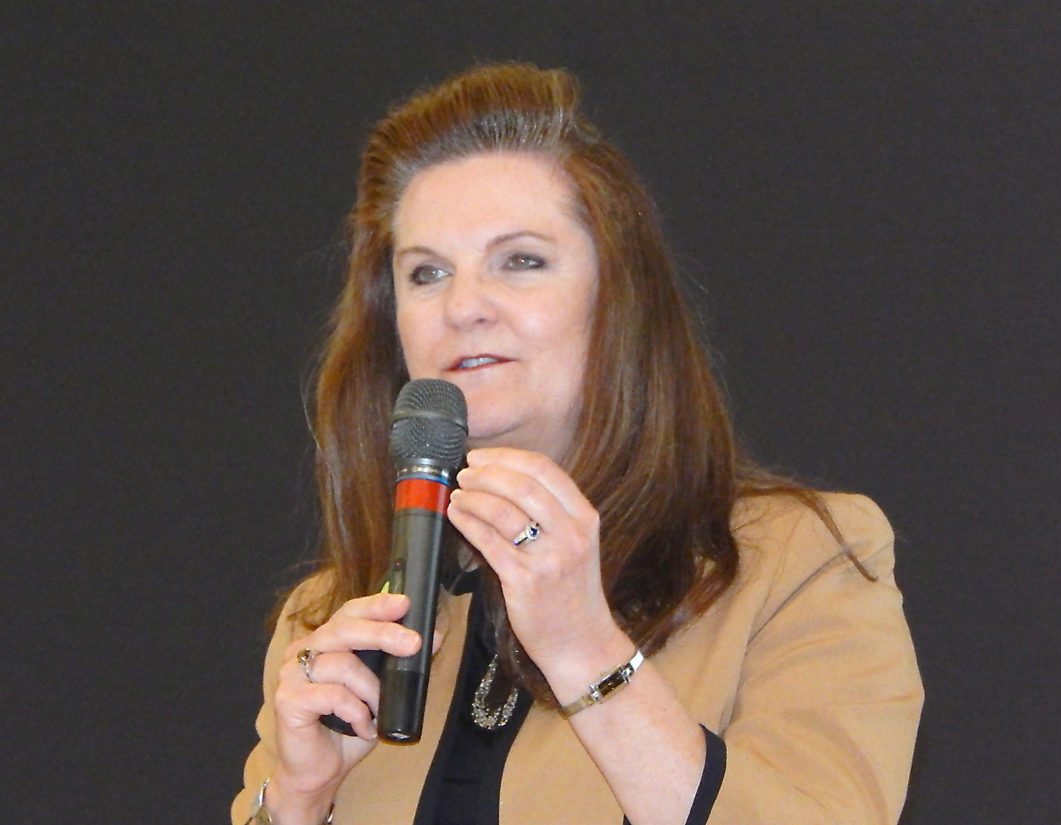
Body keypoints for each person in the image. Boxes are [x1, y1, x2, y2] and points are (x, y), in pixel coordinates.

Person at [232, 63, 922, 825]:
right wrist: (296, 799)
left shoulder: (797, 561)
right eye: (426, 273)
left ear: (617, 298)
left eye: (520, 261)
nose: (464, 306)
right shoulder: (331, 622)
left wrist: (587, 653)